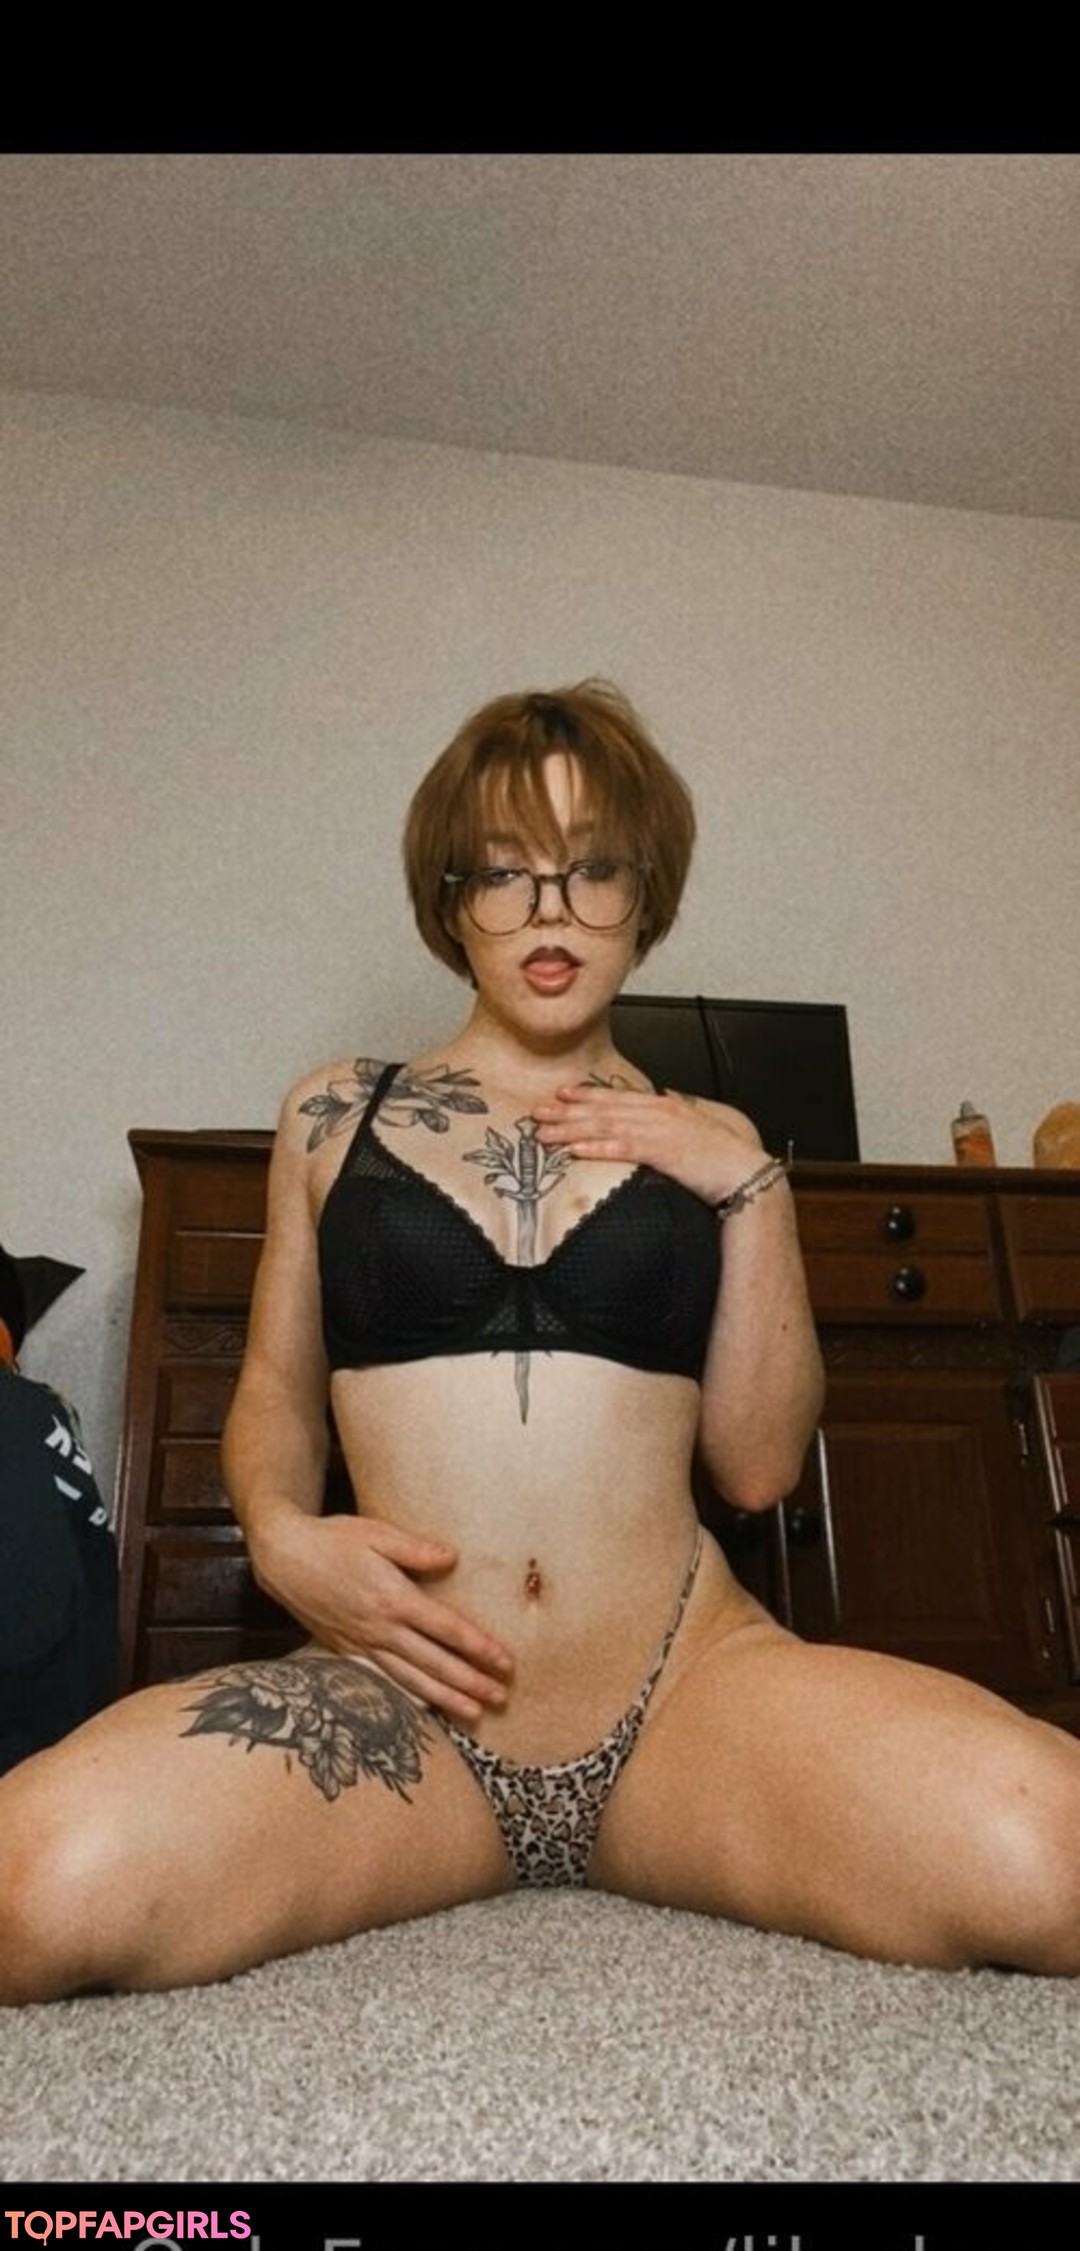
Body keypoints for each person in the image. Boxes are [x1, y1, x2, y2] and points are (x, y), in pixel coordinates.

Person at [3, 680, 1080, 2001]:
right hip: (399, 1714)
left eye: (593, 870)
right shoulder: (335, 1115)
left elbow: (756, 1470)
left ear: (646, 891)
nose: (551, 911)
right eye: (506, 872)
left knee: (1050, 1844)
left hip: (684, 1698)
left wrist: (753, 1191)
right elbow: (277, 1393)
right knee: (36, 1880)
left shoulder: (717, 1139)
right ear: (453, 897)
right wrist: (280, 1535)